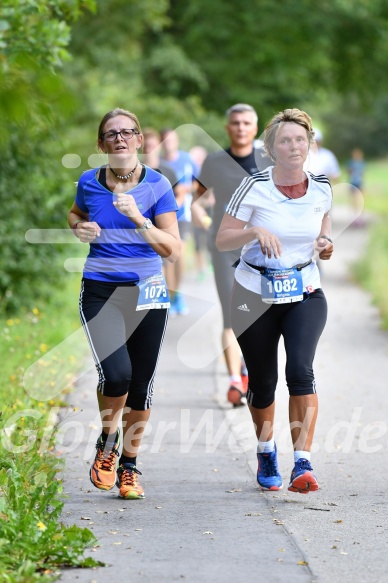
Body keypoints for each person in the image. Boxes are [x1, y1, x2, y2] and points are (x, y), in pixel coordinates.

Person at [216, 108, 333, 494]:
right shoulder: (254, 186)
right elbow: (223, 239)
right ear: (271, 148)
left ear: (310, 144)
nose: (294, 145)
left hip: (304, 291)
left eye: (300, 139)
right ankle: (266, 450)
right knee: (263, 381)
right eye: (285, 140)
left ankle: (303, 463)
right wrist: (253, 231)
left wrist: (325, 245)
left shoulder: (321, 187)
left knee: (300, 370)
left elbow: (323, 230)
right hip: (254, 293)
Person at [68, 108, 180, 499]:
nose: (119, 138)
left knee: (141, 385)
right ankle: (107, 442)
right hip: (100, 290)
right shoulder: (88, 181)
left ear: (139, 141)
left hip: (148, 291)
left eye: (127, 132)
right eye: (111, 133)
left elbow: (174, 248)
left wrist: (140, 219)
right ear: (101, 144)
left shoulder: (158, 186)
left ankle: (129, 467)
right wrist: (78, 227)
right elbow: (76, 213)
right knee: (116, 375)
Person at [192, 103, 270, 406]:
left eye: (246, 123)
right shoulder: (213, 162)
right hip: (224, 248)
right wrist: (199, 214)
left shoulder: (268, 160)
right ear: (227, 128)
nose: (240, 128)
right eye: (235, 123)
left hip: (261, 250)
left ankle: (249, 370)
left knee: (260, 315)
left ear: (255, 127)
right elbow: (196, 201)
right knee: (231, 315)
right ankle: (236, 382)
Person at [160, 128, 199, 315]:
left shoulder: (186, 159)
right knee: (167, 259)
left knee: (179, 255)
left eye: (171, 140)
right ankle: (170, 295)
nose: (168, 144)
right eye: (165, 141)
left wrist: (186, 189)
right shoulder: (157, 163)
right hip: (162, 218)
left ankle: (178, 295)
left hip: (182, 215)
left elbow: (200, 183)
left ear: (176, 141)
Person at [346, 148, 366, 227]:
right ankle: (355, 217)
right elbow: (349, 172)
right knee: (354, 200)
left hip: (360, 183)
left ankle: (360, 217)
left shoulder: (362, 163)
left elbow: (363, 173)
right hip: (353, 183)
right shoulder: (351, 163)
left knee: (361, 200)